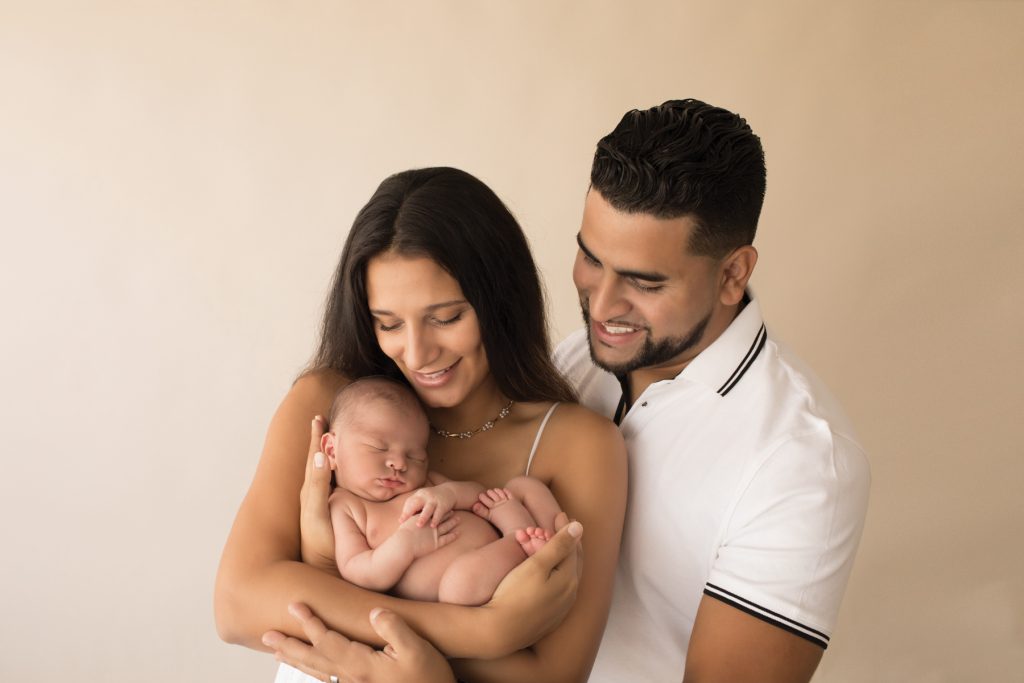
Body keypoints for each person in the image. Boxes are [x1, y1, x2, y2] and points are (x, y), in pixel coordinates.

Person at [215, 167, 628, 683]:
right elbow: (238, 605)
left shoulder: (578, 445)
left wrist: (328, 593)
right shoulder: (328, 405)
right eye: (387, 323)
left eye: (446, 317)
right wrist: (488, 632)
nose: (416, 353)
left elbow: (551, 676)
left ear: (500, 301)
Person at [554, 99, 871, 682]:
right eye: (591, 259)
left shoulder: (800, 460)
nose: (601, 305)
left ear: (733, 274)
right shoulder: (576, 360)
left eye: (644, 282)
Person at [321, 375, 562, 605]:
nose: (400, 463)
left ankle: (552, 546)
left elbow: (479, 496)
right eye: (379, 448)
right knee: (458, 588)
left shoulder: (425, 484)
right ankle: (525, 547)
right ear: (332, 450)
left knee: (524, 485)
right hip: (474, 582)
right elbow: (356, 568)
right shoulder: (345, 506)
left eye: (414, 455)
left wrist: (449, 494)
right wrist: (406, 544)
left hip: (497, 531)